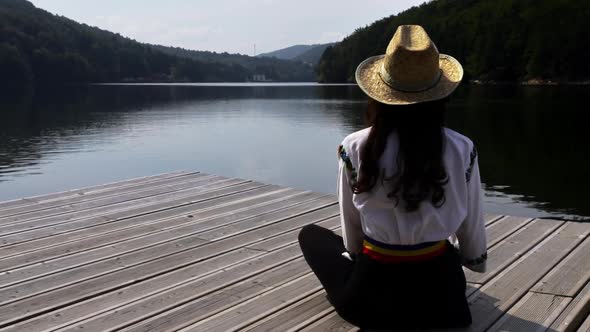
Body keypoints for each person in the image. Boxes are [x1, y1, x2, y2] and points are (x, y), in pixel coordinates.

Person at [298, 25, 487, 330]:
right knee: (440, 253)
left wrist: (357, 255)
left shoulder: (353, 146)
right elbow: (472, 220)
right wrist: (475, 260)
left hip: (372, 299)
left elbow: (351, 222)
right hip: (443, 304)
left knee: (311, 236)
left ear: (380, 93)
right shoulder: (462, 148)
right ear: (438, 95)